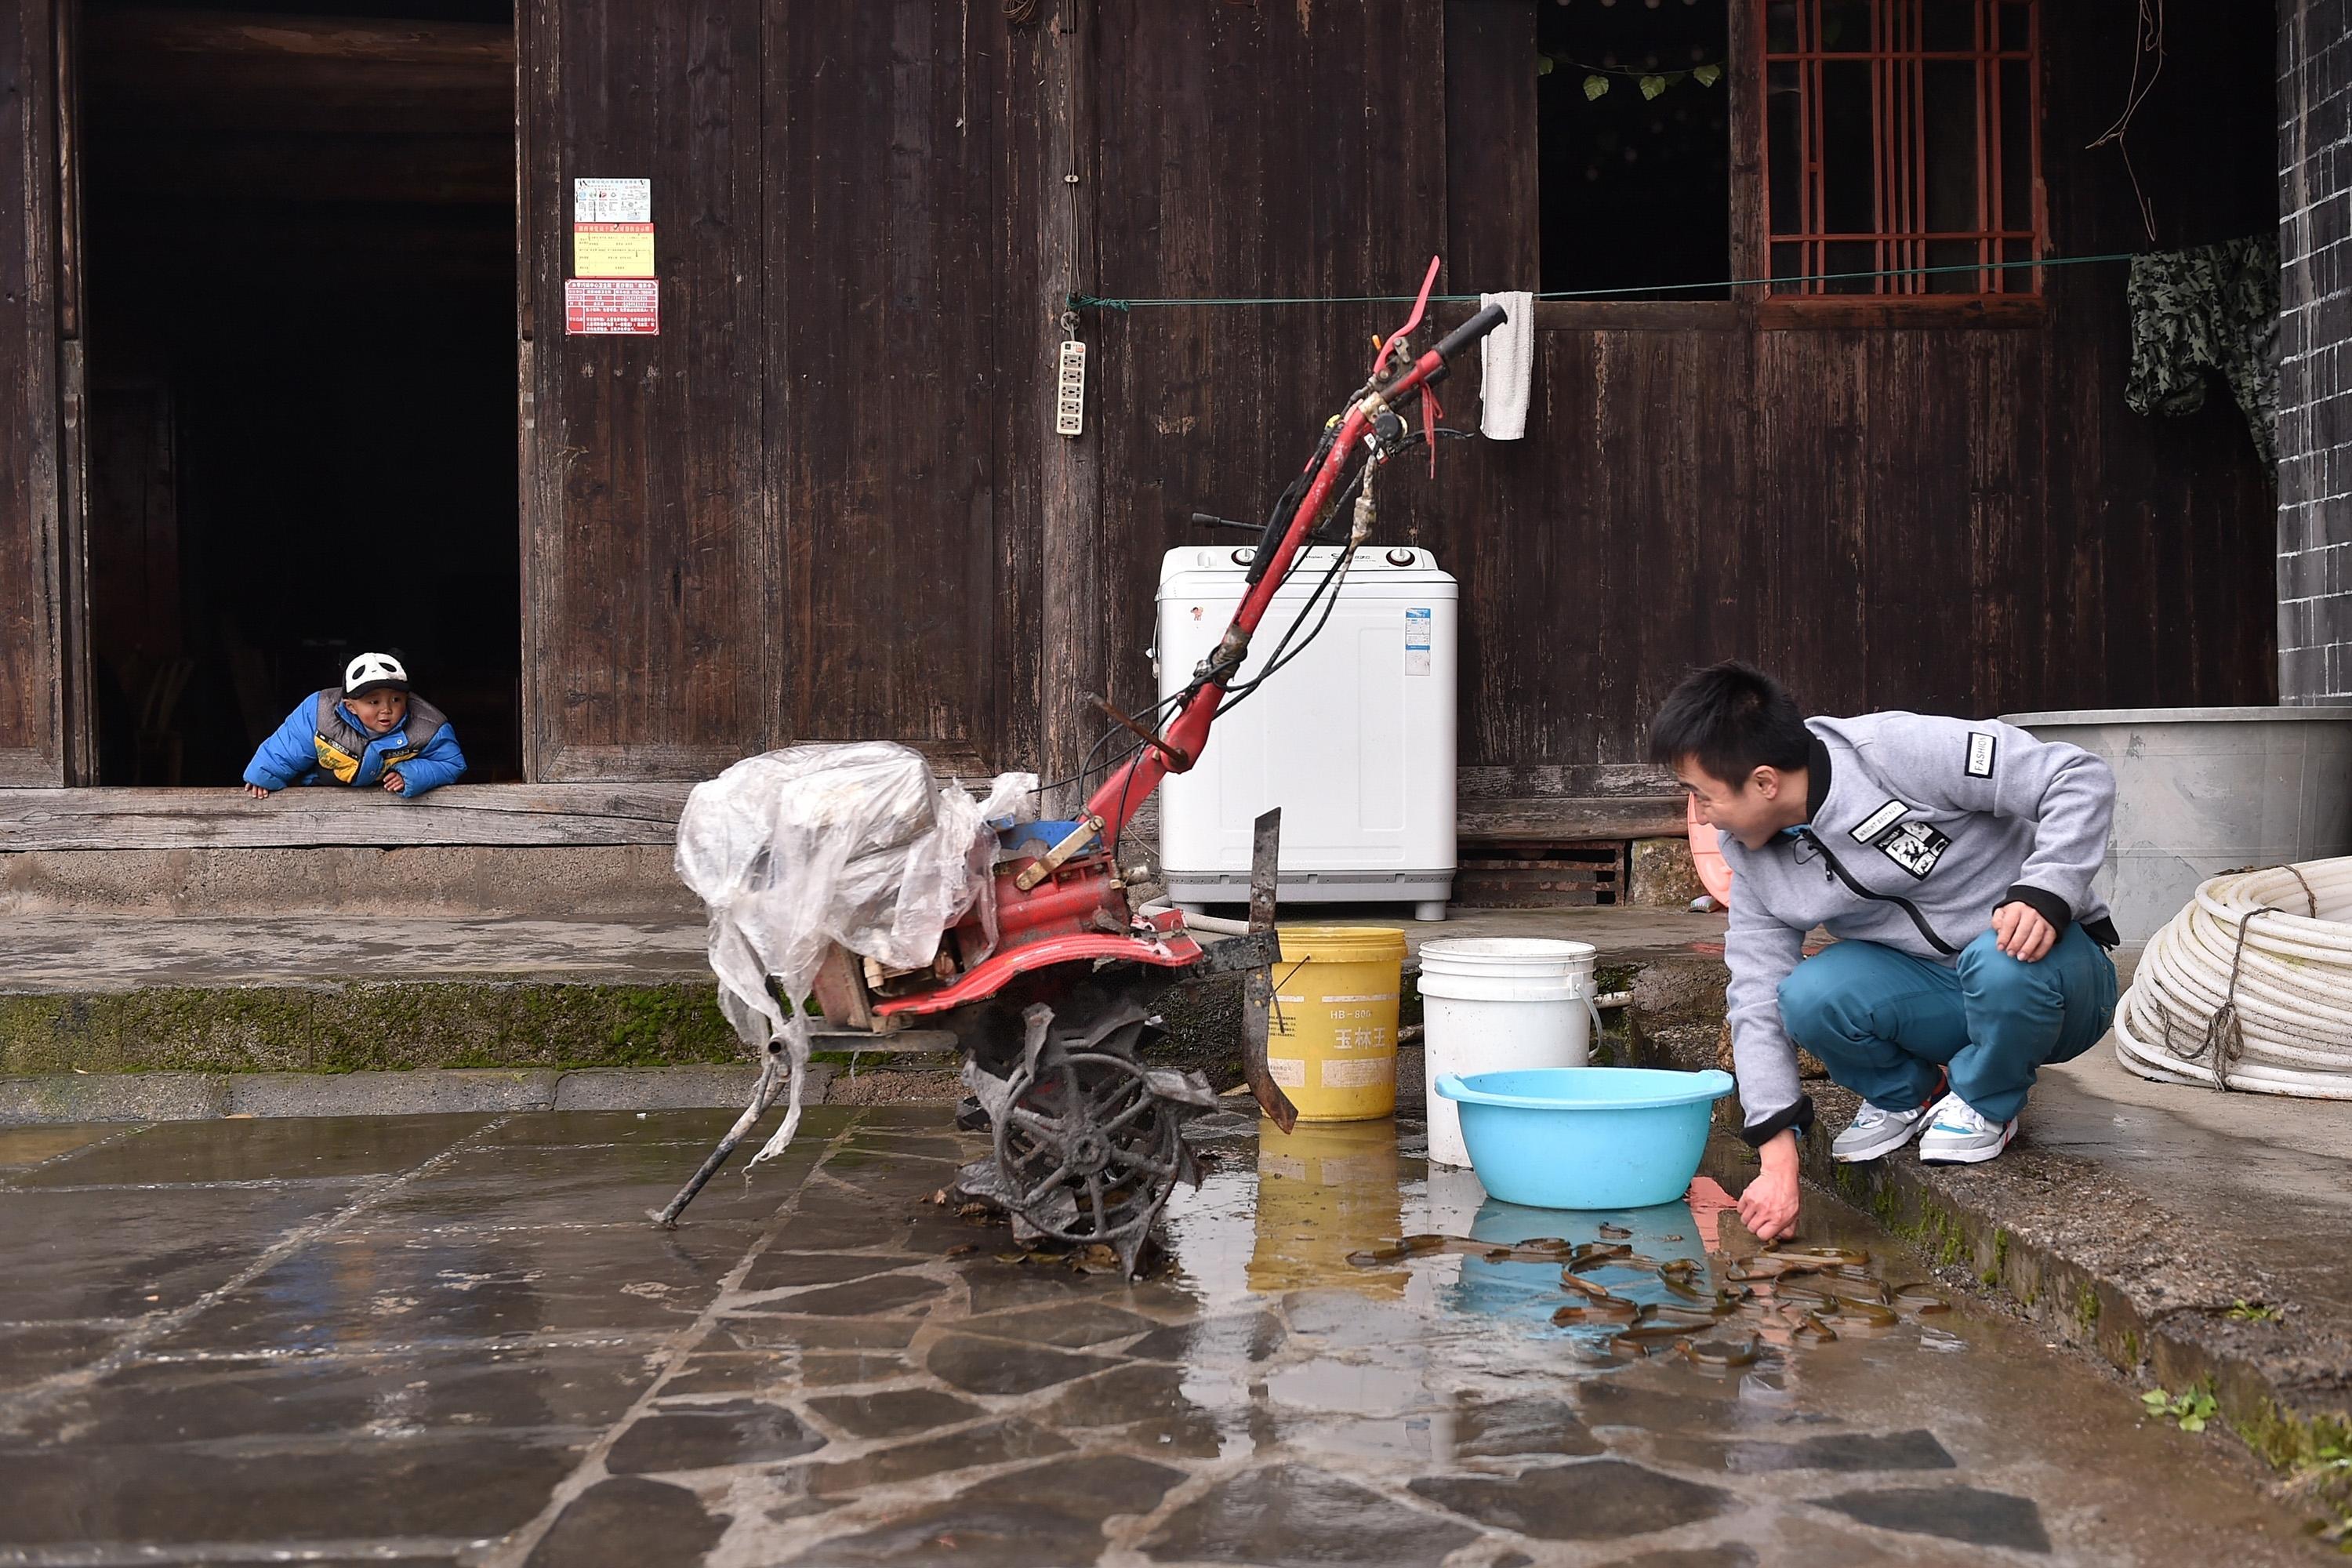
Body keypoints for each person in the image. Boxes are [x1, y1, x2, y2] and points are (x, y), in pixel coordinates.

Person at [1650, 662, 2119, 1243]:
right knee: (1806, 995)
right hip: (1938, 996)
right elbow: (1754, 994)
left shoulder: (1895, 752)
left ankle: (1987, 1102)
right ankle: (1915, 1096)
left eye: (1703, 795)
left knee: (1999, 963)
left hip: (2052, 979)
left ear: (1765, 782)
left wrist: (2048, 889)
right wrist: (1777, 1162)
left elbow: (2077, 776)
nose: (1699, 814)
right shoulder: (1751, 857)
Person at [242, 652, 466, 800]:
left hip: (385, 805)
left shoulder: (429, 726)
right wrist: (264, 776)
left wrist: (411, 774)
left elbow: (451, 763)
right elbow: (288, 747)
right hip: (323, 793)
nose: (386, 709)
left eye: (396, 700)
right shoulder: (320, 712)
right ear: (350, 707)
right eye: (373, 702)